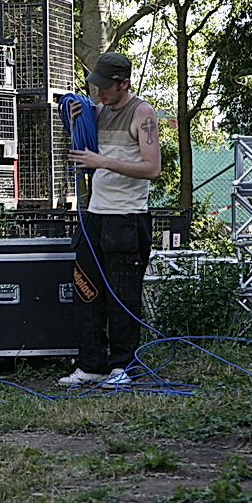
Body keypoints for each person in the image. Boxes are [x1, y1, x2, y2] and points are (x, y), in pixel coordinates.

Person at [60, 52, 161, 388]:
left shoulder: (142, 114)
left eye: (106, 87)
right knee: (86, 292)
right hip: (96, 218)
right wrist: (76, 119)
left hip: (127, 220)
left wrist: (101, 162)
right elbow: (86, 151)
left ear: (124, 84)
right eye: (96, 86)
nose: (99, 92)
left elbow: (152, 169)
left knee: (122, 296)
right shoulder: (97, 112)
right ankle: (92, 365)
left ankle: (124, 368)